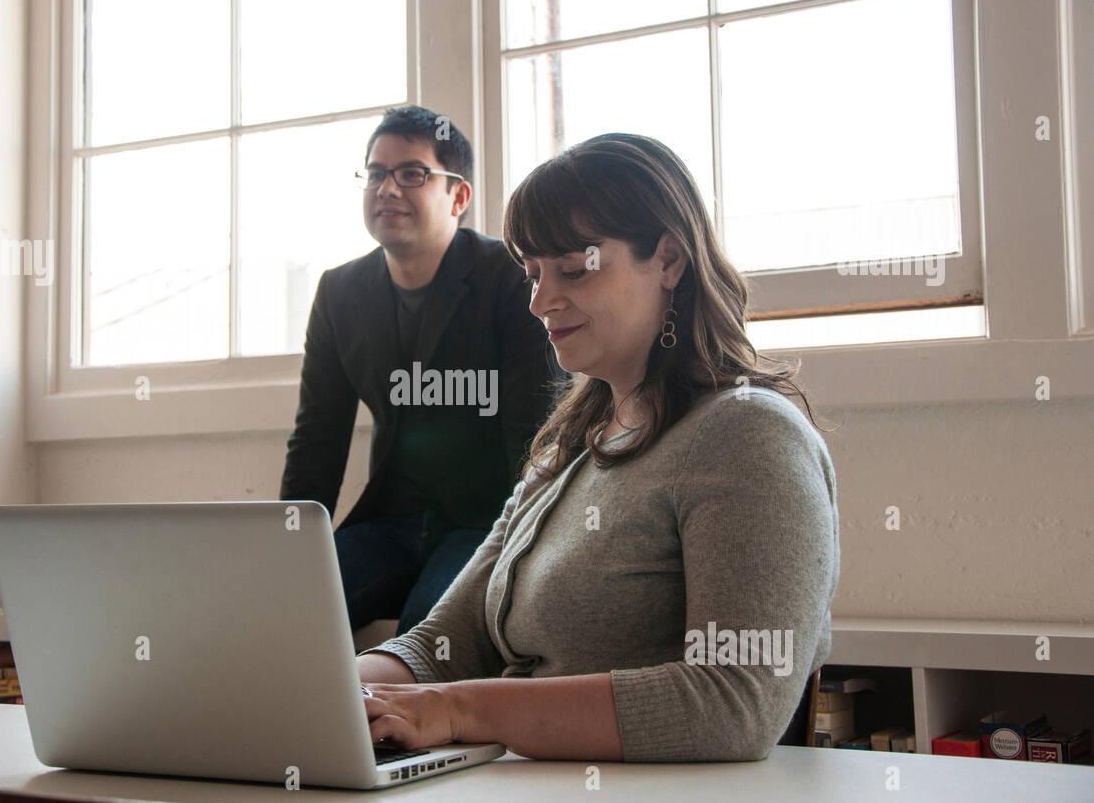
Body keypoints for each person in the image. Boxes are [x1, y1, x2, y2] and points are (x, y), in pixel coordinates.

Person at [355, 132, 842, 762]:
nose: (539, 301)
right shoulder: (569, 448)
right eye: (532, 273)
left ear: (668, 259)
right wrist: (333, 691)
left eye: (574, 267)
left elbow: (733, 703)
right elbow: (450, 640)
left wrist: (457, 710)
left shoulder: (749, 436)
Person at [279, 106, 564, 637]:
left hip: (485, 519)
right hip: (390, 518)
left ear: (459, 197)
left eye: (412, 174)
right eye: (376, 173)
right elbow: (318, 435)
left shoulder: (511, 278)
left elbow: (536, 430)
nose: (387, 189)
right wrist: (286, 547)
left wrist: (531, 549)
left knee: (426, 640)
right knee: (285, 613)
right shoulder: (339, 292)